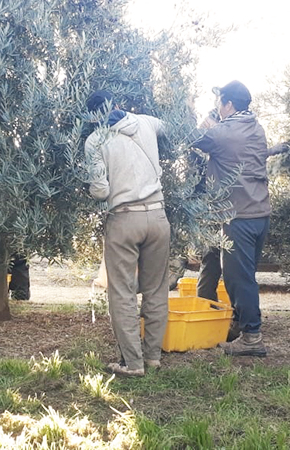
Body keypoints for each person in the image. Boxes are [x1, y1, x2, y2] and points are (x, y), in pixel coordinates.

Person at [84, 90, 171, 376]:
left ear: (94, 116)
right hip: (158, 217)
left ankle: (133, 364)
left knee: (121, 292)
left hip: (124, 219)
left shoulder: (95, 140)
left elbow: (101, 191)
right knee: (156, 288)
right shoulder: (146, 122)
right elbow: (169, 127)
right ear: (119, 104)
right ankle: (154, 357)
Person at [192, 80, 272, 357]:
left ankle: (252, 338)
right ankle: (239, 325)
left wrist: (206, 122)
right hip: (260, 213)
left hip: (238, 215)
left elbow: (192, 138)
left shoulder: (224, 133)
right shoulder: (256, 128)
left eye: (219, 102)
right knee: (245, 275)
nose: (216, 107)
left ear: (228, 104)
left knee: (238, 279)